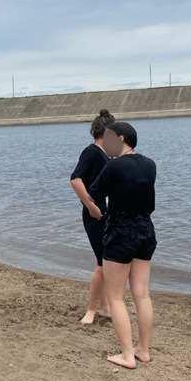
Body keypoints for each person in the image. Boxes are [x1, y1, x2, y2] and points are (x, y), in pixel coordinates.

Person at [88, 122, 156, 369]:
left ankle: (127, 355)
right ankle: (143, 350)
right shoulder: (150, 164)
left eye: (107, 139)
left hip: (120, 234)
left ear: (120, 138)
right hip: (146, 232)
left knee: (116, 297)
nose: (104, 144)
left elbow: (94, 193)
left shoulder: (114, 165)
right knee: (142, 294)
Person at [70, 108, 116, 324]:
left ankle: (105, 307)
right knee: (102, 265)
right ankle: (91, 311)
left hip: (104, 212)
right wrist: (90, 206)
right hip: (94, 214)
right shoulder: (91, 152)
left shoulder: (106, 154)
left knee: (105, 262)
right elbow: (75, 180)